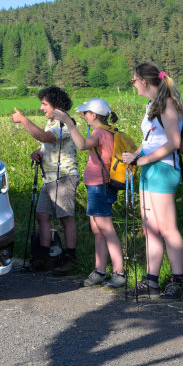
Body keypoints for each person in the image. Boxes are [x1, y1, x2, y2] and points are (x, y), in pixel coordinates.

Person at [118, 62, 183, 299]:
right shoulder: (152, 105)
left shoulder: (167, 104)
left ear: (144, 81)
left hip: (163, 169)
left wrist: (143, 160)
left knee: (167, 228)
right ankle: (151, 281)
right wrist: (135, 155)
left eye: (134, 80)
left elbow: (174, 143)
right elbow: (149, 139)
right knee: (150, 229)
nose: (133, 84)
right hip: (149, 167)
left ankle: (178, 281)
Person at [10, 87, 83, 272]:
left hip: (64, 177)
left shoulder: (65, 123)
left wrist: (23, 120)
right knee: (42, 215)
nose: (42, 108)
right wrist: (38, 153)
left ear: (55, 105)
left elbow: (44, 137)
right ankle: (43, 258)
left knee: (66, 217)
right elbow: (48, 144)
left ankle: (71, 259)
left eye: (44, 104)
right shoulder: (52, 123)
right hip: (49, 178)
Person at [77, 97, 127, 288]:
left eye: (86, 113)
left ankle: (119, 273)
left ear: (94, 115)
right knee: (97, 230)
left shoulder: (99, 133)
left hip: (99, 185)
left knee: (106, 230)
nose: (84, 116)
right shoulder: (107, 131)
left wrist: (70, 125)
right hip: (98, 185)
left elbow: (82, 145)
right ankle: (100, 271)